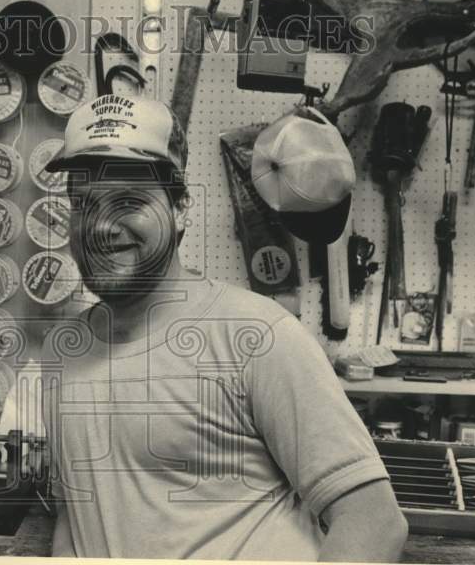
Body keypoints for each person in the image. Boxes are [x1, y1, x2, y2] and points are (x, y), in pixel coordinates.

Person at [38, 93, 407, 561]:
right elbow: (78, 519)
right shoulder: (64, 350)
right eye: (82, 203)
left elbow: (374, 523)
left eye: (128, 201)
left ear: (180, 209)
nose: (99, 226)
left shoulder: (258, 337)